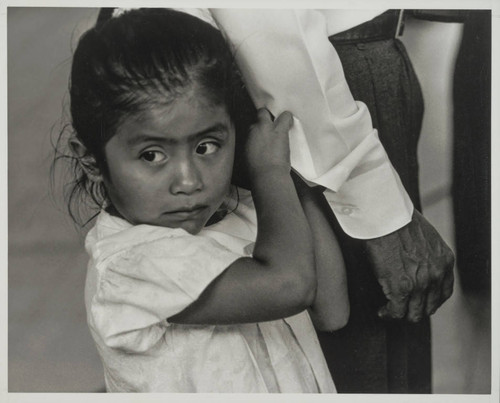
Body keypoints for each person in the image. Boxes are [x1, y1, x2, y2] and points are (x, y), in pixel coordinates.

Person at [58, 8, 349, 392]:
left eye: (206, 146)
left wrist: (291, 179)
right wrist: (270, 174)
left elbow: (332, 309)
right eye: (152, 155)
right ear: (92, 160)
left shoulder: (244, 210)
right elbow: (290, 285)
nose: (189, 181)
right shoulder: (128, 267)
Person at [206, 9, 456, 392]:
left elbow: (331, 308)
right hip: (318, 91)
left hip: (331, 84)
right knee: (365, 372)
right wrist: (366, 193)